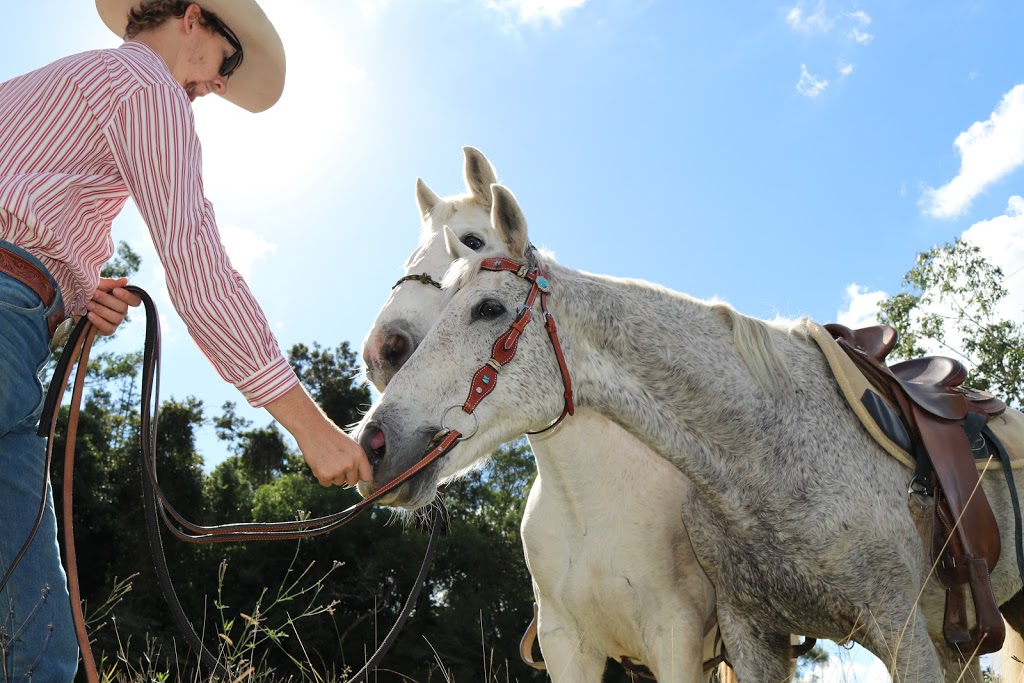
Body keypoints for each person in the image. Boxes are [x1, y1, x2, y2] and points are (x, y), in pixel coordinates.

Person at [0, 1, 372, 678]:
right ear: (195, 17)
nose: (221, 84)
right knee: (34, 636)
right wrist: (311, 428)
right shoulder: (148, 87)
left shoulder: (50, 83)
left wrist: (73, 291)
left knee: (38, 627)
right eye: (228, 61)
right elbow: (198, 270)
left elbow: (23, 211)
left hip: (16, 324)